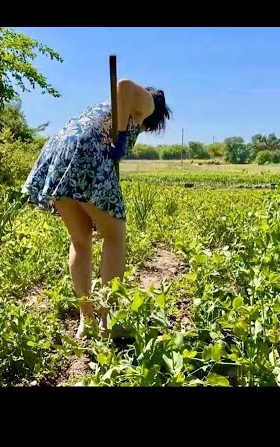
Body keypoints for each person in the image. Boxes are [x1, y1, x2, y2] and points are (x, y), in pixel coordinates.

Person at [22, 78, 171, 338]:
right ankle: (108, 320)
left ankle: (86, 319)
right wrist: (122, 137)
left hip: (60, 150)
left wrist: (118, 139)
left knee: (80, 239)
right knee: (114, 236)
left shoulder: (106, 109)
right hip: (87, 153)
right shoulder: (148, 102)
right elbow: (123, 85)